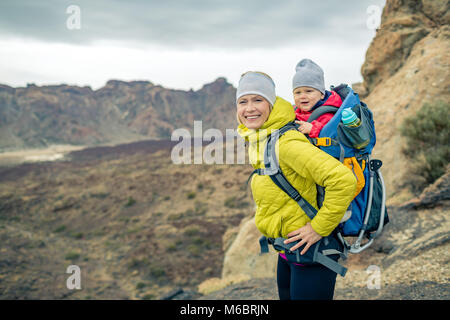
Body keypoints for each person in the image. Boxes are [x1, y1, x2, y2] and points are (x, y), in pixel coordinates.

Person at [236, 71, 356, 300]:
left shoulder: (286, 142)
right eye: (243, 101)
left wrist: (318, 228)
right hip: (289, 251)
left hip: (313, 253)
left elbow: (343, 180)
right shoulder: (262, 137)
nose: (249, 108)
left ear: (271, 103)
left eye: (258, 100)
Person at [292, 59, 342, 137]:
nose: (302, 96)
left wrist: (314, 129)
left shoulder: (327, 115)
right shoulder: (294, 113)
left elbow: (335, 137)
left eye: (308, 91)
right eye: (298, 92)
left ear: (322, 94)